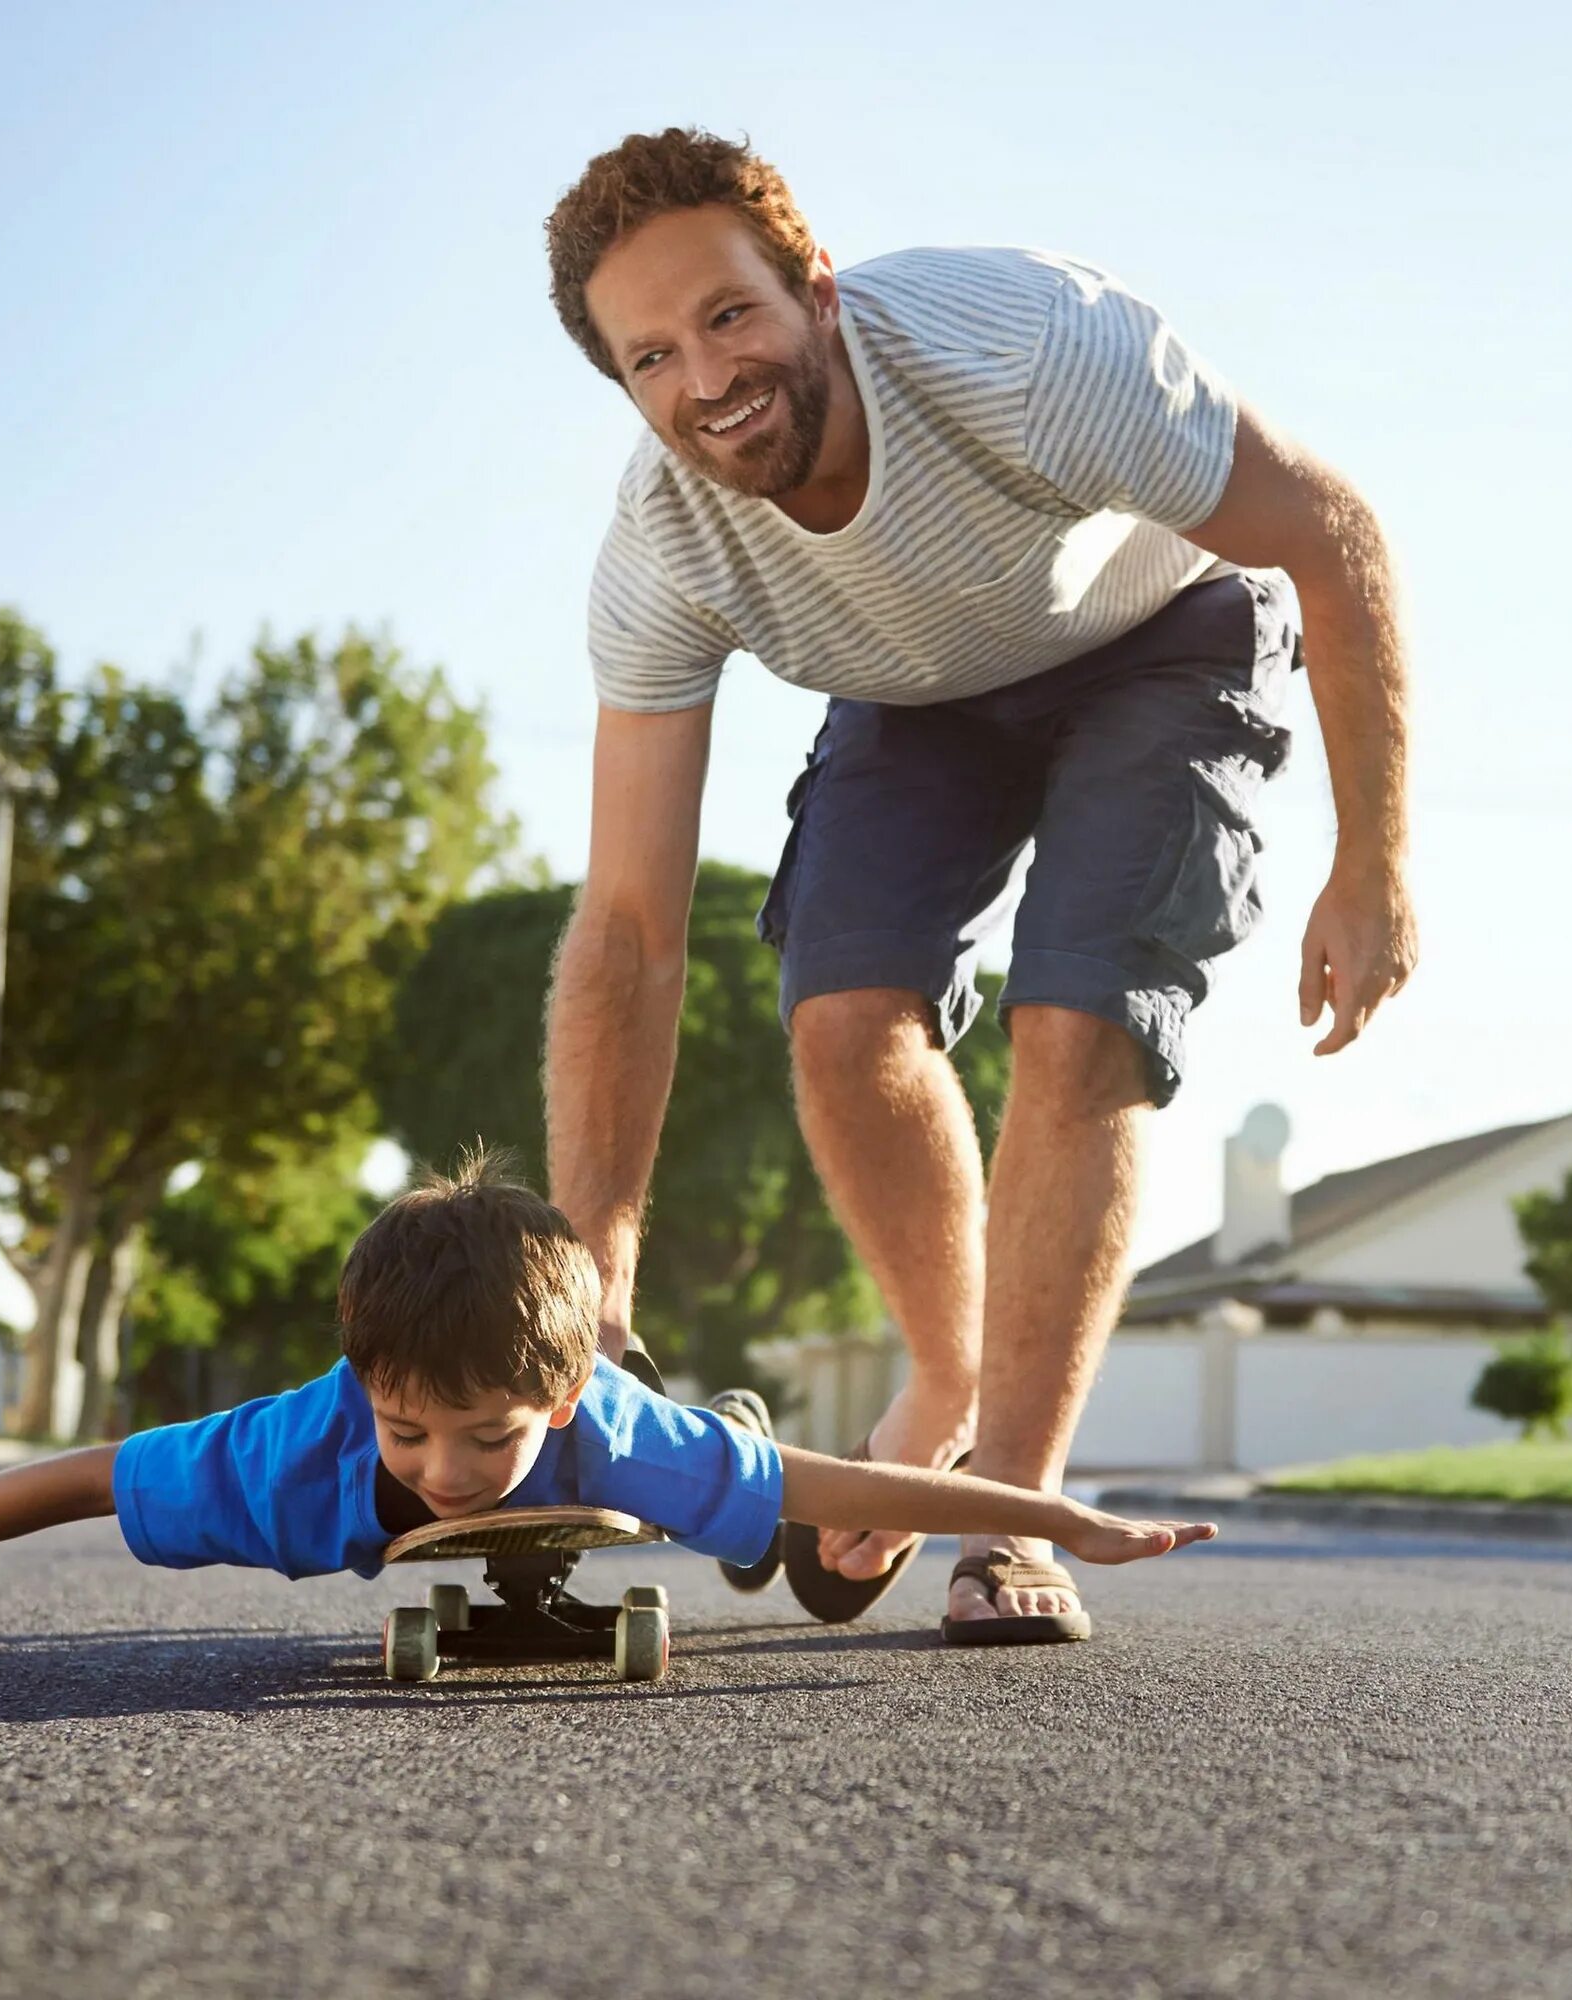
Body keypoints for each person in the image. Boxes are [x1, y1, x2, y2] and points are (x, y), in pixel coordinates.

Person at [539, 131, 1414, 1645]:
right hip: (914, 691)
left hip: (1158, 631)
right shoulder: (665, 547)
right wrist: (589, 1286)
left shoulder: (1030, 352)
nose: (706, 380)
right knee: (839, 1011)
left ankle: (1013, 1504)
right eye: (652, 358)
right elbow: (628, 933)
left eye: (730, 316)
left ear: (816, 288)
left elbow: (1330, 535)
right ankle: (943, 1386)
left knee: (1074, 1018)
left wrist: (1374, 859)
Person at [0, 1157, 1212, 1593]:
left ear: (558, 1403)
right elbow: (92, 1478)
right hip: (523, 1425)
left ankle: (724, 1432)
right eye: (410, 1431)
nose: (440, 1469)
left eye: (484, 1438)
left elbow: (841, 1478)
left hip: (659, 1450)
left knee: (819, 1553)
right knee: (759, 1519)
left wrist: (1048, 1519)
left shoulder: (607, 1434)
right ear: (361, 1381)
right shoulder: (302, 1452)